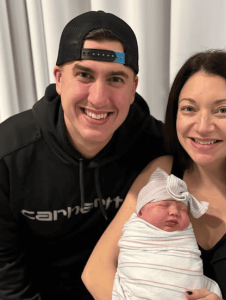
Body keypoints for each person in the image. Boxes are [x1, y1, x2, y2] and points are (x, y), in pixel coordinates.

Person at [82, 49, 226, 300]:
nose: (203, 126)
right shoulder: (161, 173)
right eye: (189, 109)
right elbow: (96, 269)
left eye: (222, 110)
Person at [0, 10, 165, 300]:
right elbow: (6, 276)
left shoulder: (160, 147)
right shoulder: (8, 155)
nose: (99, 98)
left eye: (115, 79)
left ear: (133, 89)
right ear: (59, 79)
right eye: (84, 75)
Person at [112, 167, 221, 299]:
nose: (175, 212)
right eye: (164, 205)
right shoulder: (136, 233)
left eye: (182, 209)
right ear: (140, 212)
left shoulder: (185, 237)